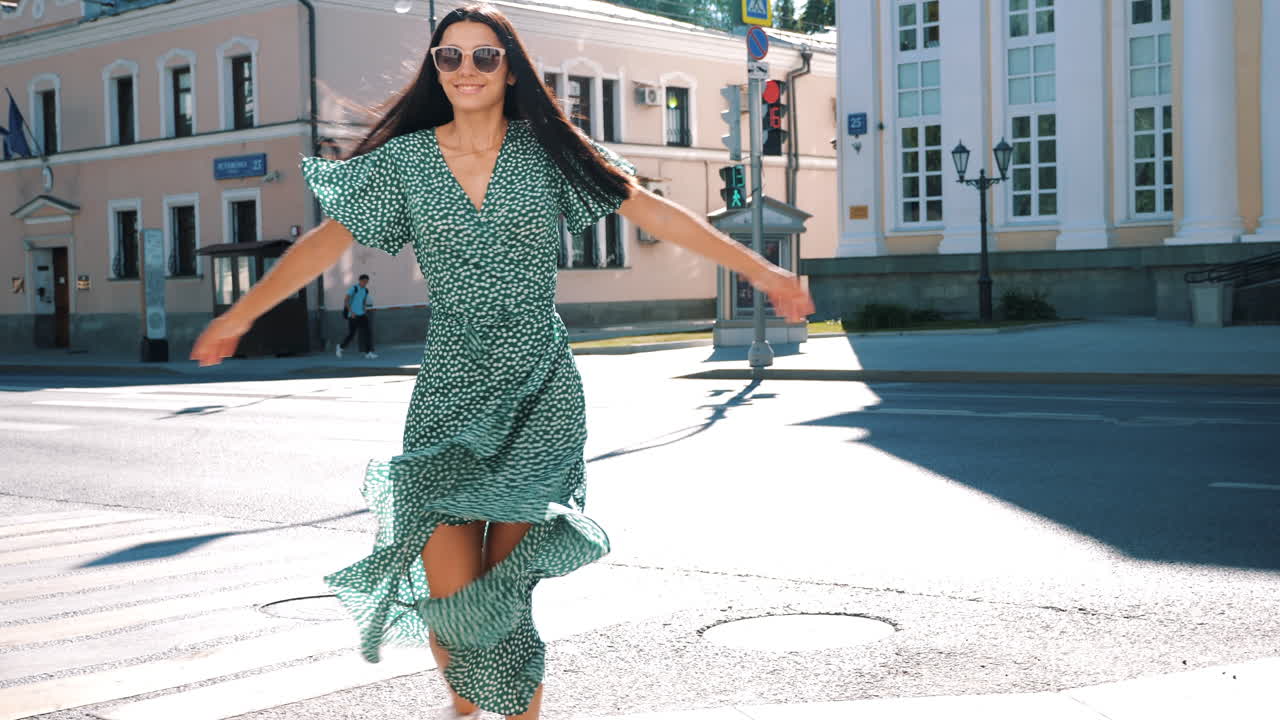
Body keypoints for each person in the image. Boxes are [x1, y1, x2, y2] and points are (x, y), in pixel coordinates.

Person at [189, 4, 813, 719]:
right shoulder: (407, 162)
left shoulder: (546, 152)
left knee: (503, 594)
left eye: (484, 57)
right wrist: (240, 315)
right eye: (449, 57)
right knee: (451, 600)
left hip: (536, 388)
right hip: (450, 388)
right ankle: (465, 706)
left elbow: (654, 214)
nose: (465, 70)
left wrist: (761, 272)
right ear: (435, 67)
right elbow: (323, 246)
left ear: (510, 68)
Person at [338, 273, 378, 359]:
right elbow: (346, 300)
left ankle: (368, 353)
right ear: (359, 280)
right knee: (352, 334)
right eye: (363, 281)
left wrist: (363, 307)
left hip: (362, 314)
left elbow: (363, 299)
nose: (365, 283)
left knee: (367, 332)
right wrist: (351, 312)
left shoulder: (366, 290)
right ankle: (340, 347)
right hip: (353, 315)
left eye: (367, 282)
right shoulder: (354, 288)